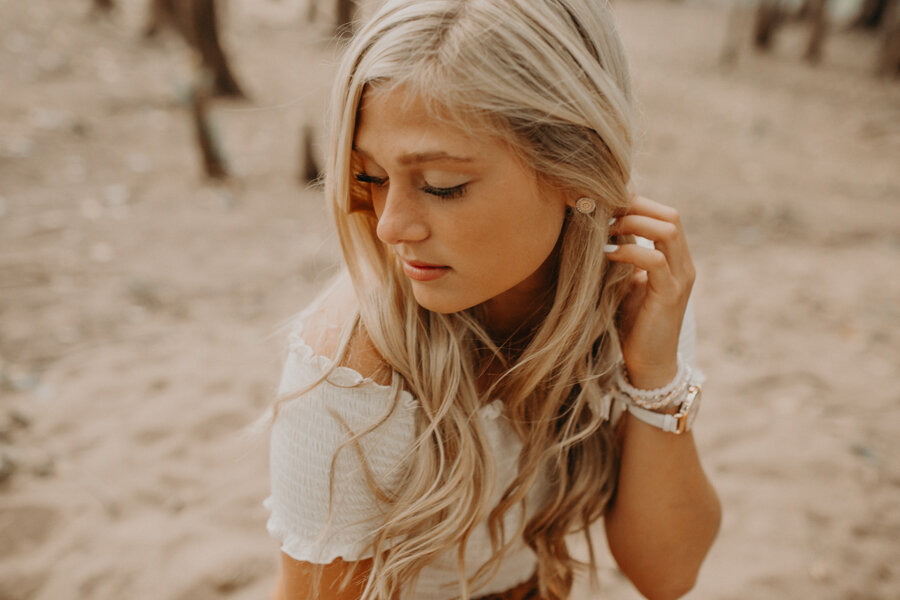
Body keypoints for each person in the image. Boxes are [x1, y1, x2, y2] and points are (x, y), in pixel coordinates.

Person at [263, 0, 722, 598]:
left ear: (575, 170)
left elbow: (668, 573)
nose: (389, 226)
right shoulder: (351, 373)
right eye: (371, 177)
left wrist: (654, 377)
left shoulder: (634, 288)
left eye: (441, 186)